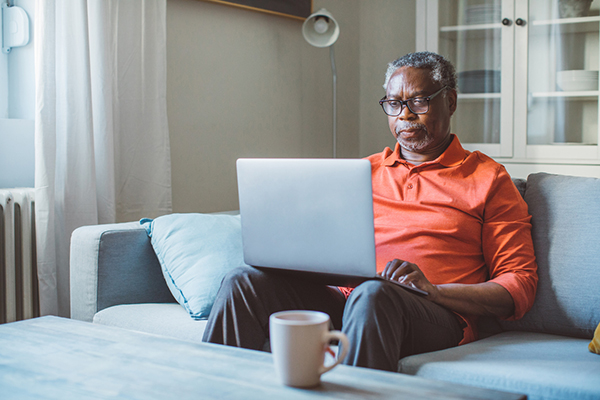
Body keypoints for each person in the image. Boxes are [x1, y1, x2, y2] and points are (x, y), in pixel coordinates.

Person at [202, 51, 538, 372]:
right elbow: (324, 251)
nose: (405, 115)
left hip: (434, 312)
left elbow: (519, 284)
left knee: (374, 293)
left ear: (449, 101)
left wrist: (434, 291)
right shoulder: (363, 173)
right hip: (348, 301)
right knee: (242, 281)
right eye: (393, 104)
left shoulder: (488, 178)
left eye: (418, 101)